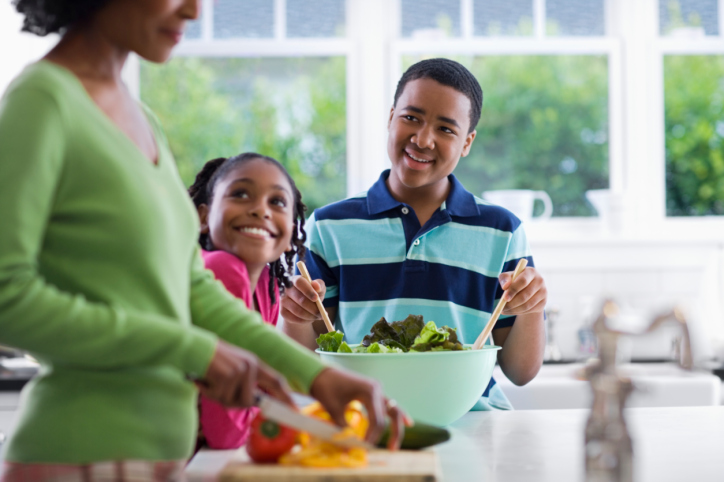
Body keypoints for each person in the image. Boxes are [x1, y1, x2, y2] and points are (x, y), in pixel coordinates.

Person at [0, 1, 404, 479]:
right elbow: (8, 298)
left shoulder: (139, 116)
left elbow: (192, 288)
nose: (193, 10)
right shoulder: (40, 102)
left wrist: (321, 376)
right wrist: (195, 351)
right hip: (80, 455)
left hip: (162, 457)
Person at [281, 58, 547, 410]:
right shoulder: (328, 227)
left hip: (475, 420)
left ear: (467, 142)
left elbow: (520, 372)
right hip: (364, 422)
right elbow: (306, 365)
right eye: (411, 118)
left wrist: (531, 308)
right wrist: (295, 317)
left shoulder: (502, 231)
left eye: (446, 129)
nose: (423, 139)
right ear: (391, 118)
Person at [187, 153, 310, 449]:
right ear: (204, 217)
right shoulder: (220, 268)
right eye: (240, 194)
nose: (260, 210)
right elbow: (227, 431)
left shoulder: (267, 285)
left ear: (292, 230)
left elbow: (253, 396)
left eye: (277, 202)